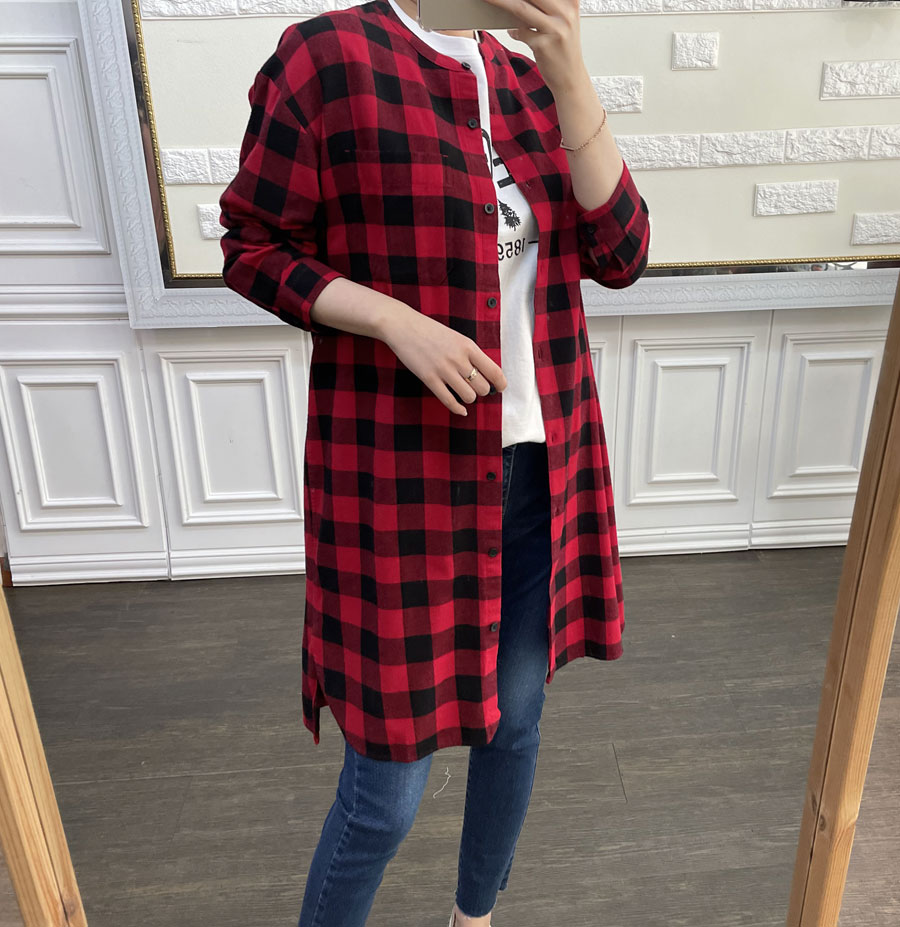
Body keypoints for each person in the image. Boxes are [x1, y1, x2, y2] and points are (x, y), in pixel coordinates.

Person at [218, 0, 650, 923]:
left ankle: (474, 915)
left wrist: (572, 72)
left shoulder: (533, 82)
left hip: (538, 469)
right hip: (401, 483)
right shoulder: (328, 59)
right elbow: (252, 247)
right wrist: (391, 320)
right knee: (386, 791)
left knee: (516, 723)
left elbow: (621, 252)